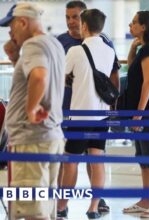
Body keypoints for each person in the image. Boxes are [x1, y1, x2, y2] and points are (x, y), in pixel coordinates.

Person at [0, 2, 65, 219]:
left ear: (23, 22)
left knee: (31, 212)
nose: (13, 34)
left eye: (13, 29)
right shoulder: (54, 44)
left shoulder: (33, 44)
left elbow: (39, 76)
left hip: (32, 141)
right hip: (50, 137)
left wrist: (31, 108)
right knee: (44, 207)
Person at [56, 1, 119, 215]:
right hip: (102, 115)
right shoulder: (109, 50)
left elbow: (62, 76)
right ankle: (94, 207)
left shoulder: (75, 50)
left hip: (80, 115)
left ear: (84, 26)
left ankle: (63, 205)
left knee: (71, 162)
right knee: (97, 159)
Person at [121, 11, 149, 218]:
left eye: (133, 23)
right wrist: (132, 49)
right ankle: (146, 200)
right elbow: (133, 71)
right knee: (143, 157)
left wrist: (139, 114)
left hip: (147, 113)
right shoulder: (144, 49)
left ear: (144, 27)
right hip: (140, 112)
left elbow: (148, 82)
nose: (130, 26)